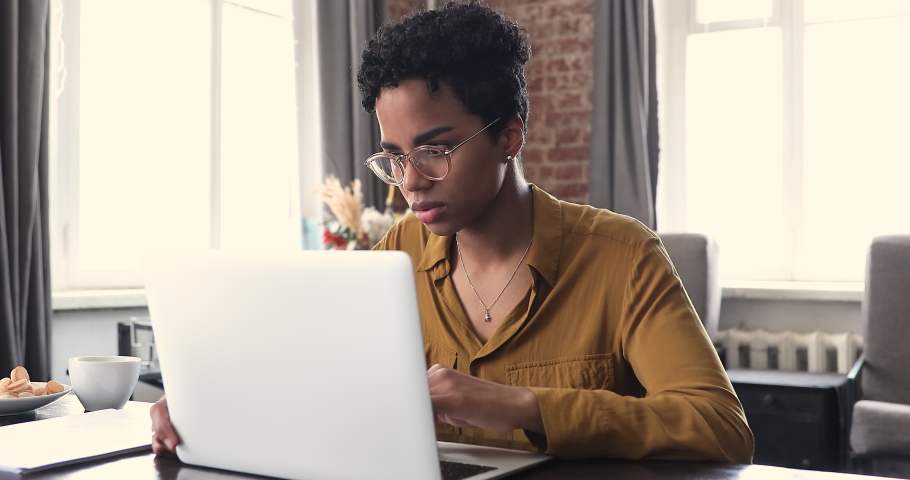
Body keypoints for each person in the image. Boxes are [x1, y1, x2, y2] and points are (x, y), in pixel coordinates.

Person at [152, 1, 754, 463]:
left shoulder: (623, 258)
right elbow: (309, 388)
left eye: (435, 150)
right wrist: (208, 404)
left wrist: (527, 406)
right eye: (393, 156)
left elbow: (720, 427)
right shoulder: (391, 261)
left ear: (510, 136)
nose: (409, 182)